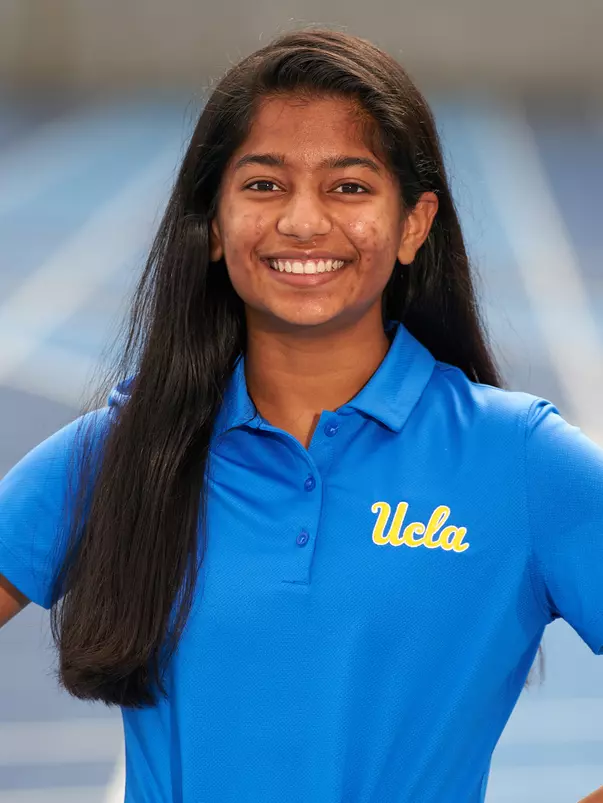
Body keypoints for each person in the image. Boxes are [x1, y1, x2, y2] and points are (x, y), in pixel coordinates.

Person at [0, 27, 601, 803]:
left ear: (413, 224)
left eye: (349, 186)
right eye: (263, 185)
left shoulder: (519, 460)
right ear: (214, 225)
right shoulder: (125, 450)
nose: (303, 222)